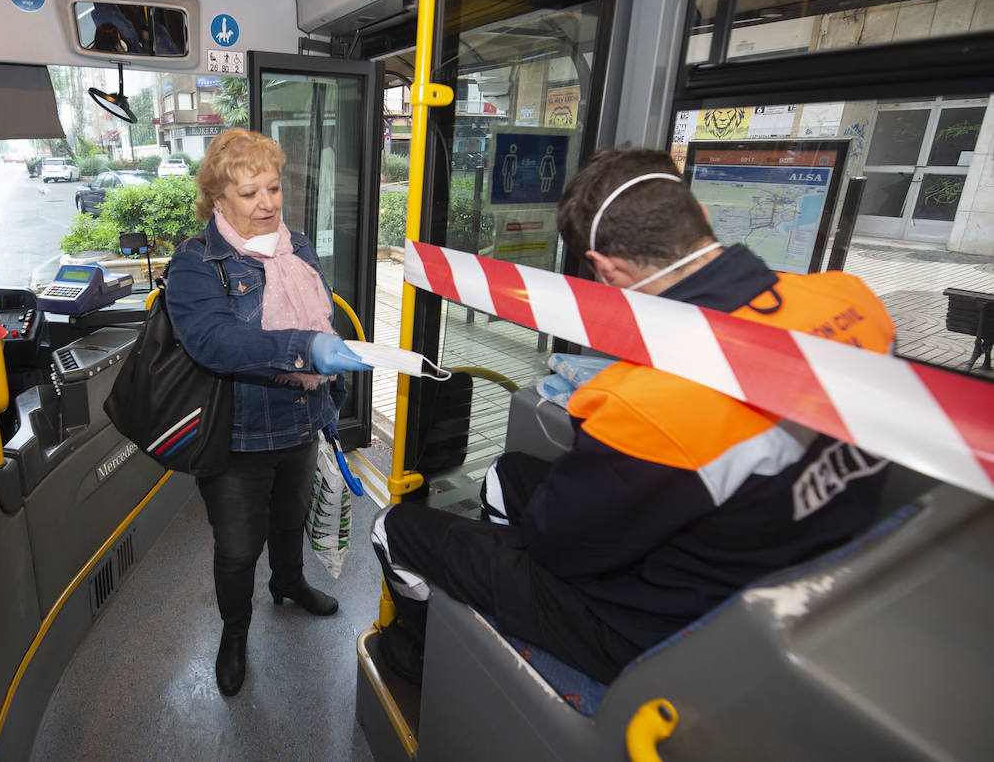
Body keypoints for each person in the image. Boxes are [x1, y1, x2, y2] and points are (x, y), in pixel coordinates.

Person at [371, 148, 895, 686]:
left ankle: (435, 659)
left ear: (606, 267)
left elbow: (558, 544)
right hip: (795, 557)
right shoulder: (851, 300)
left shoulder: (643, 402)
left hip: (664, 629)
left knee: (395, 528)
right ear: (702, 219)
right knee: (508, 475)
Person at [165, 128, 372, 697]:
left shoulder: (297, 246)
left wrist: (329, 401)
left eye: (274, 189)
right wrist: (303, 347)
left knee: (289, 519)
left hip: (302, 423)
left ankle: (289, 583)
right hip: (236, 438)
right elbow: (214, 342)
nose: (266, 204)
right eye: (249, 193)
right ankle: (234, 636)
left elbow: (321, 320)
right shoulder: (194, 264)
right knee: (236, 549)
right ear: (217, 201)